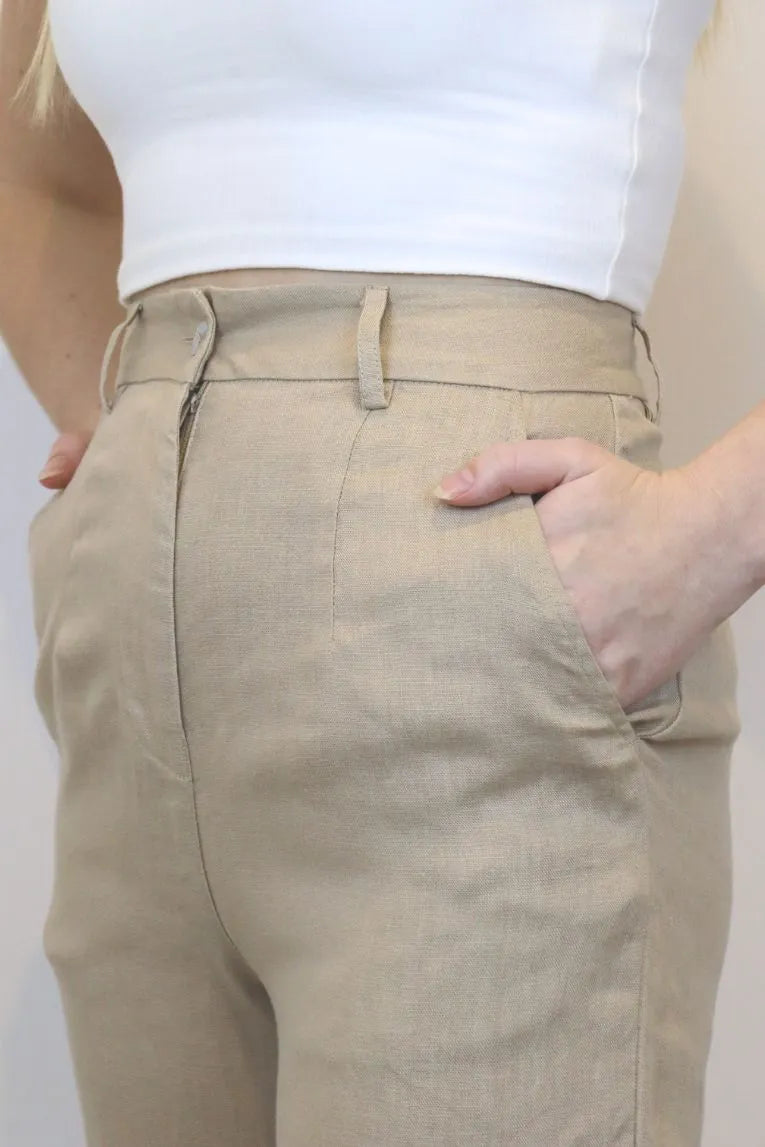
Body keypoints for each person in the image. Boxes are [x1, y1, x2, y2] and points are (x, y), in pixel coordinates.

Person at [0, 1, 756, 1144]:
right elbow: (36, 173)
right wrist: (128, 449)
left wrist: (713, 528)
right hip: (137, 677)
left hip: (480, 632)